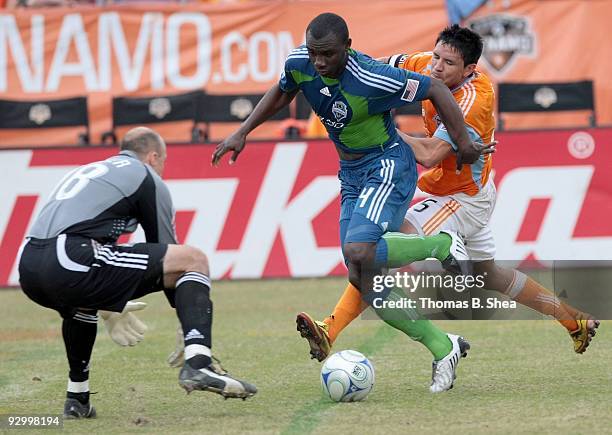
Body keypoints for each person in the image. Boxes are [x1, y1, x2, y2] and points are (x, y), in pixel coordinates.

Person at [212, 13, 494, 393]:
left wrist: (462, 142)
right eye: (313, 53)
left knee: (360, 249)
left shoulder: (370, 79)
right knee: (363, 276)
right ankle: (443, 347)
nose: (318, 62)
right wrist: (242, 131)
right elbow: (284, 89)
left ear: (346, 47)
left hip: (388, 166)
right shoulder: (301, 62)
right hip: (351, 174)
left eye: (326, 54)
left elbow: (438, 91)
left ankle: (441, 244)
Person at [296, 25, 600, 376]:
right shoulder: (426, 64)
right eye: (436, 56)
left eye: (448, 63)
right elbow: (369, 69)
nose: (437, 67)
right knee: (491, 275)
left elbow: (429, 154)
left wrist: (377, 130)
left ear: (469, 69)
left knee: (376, 248)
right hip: (463, 191)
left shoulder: (473, 100)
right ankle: (572, 320)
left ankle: (329, 329)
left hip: (462, 199)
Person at [18, 127, 256, 419]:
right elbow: (170, 254)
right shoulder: (146, 176)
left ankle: (77, 398)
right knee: (194, 259)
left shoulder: (96, 169)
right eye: (163, 162)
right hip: (70, 255)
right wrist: (189, 326)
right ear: (154, 157)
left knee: (82, 307)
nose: (162, 169)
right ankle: (199, 363)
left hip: (29, 264)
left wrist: (108, 301)